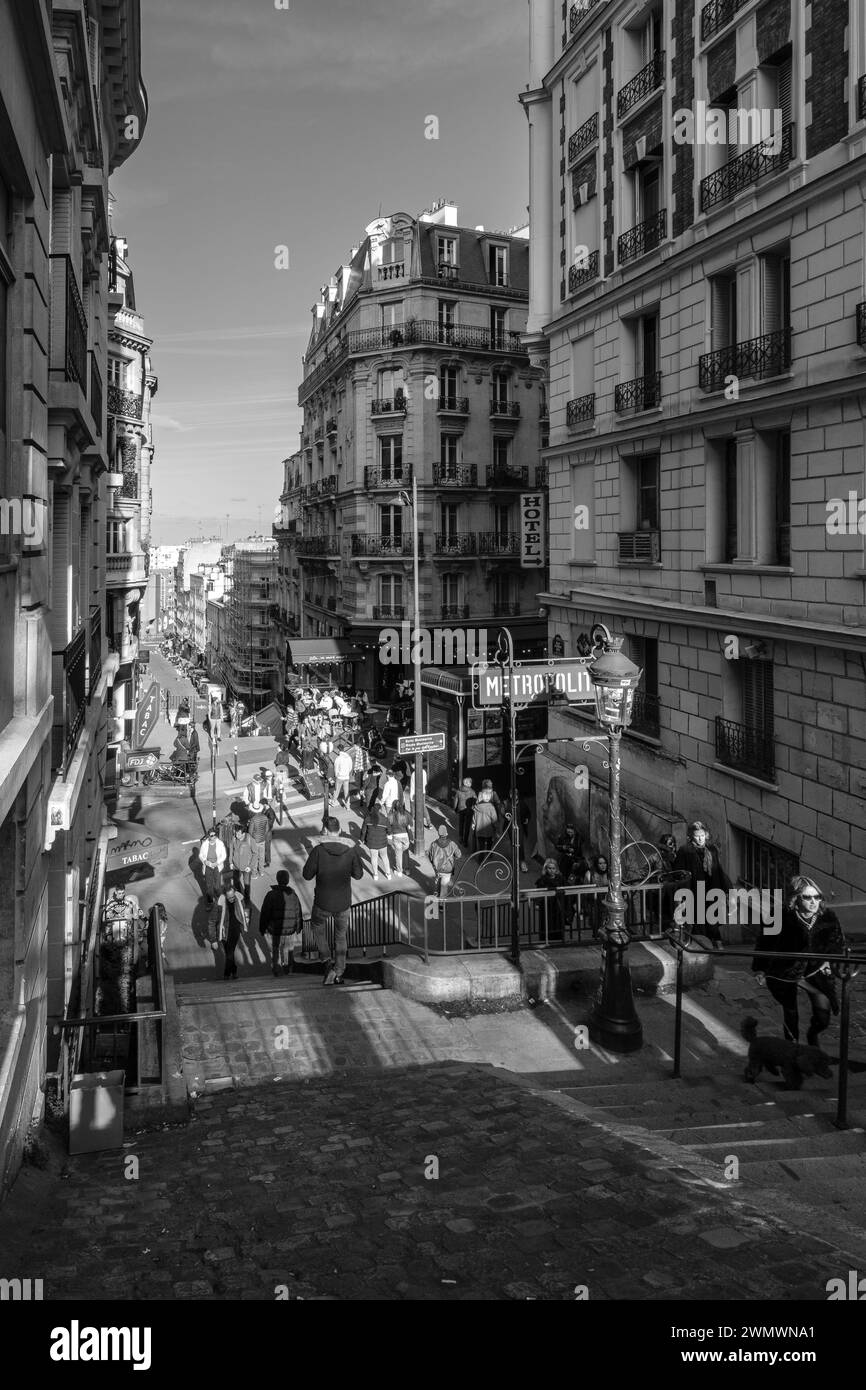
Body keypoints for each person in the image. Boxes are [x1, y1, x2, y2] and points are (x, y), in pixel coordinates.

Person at [753, 876, 846, 1044]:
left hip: (817, 971)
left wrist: (829, 962)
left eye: (817, 897)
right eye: (808, 897)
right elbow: (765, 943)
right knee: (791, 1013)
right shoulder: (780, 915)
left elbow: (838, 944)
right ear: (795, 898)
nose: (813, 902)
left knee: (823, 1017)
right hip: (786, 969)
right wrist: (760, 968)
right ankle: (792, 1050)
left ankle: (812, 1034)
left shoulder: (828, 917)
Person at [302, 816, 364, 986]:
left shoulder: (318, 851)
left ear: (326, 831)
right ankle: (339, 970)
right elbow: (358, 875)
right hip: (343, 902)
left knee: (316, 927)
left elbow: (307, 875)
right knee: (340, 936)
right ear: (340, 830)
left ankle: (326, 959)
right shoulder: (350, 850)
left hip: (322, 901)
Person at [673, 821, 732, 950]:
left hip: (711, 889)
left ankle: (716, 940)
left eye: (702, 835)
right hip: (694, 890)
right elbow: (678, 872)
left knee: (712, 918)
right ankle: (704, 944)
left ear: (706, 835)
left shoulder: (711, 850)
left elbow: (718, 869)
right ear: (691, 836)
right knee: (698, 919)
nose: (700, 839)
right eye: (696, 836)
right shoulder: (685, 851)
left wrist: (727, 888)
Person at [259, 869, 304, 977]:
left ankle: (276, 969)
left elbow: (265, 912)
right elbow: (298, 911)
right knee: (287, 949)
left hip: (275, 929)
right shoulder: (293, 895)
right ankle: (287, 968)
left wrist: (262, 927)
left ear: (277, 879)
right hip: (289, 929)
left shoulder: (271, 895)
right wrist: (298, 927)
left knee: (275, 949)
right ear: (287, 880)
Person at [217, 881, 247, 981]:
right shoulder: (220, 902)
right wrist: (213, 938)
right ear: (225, 895)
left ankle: (226, 974)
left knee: (230, 952)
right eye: (229, 897)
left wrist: (244, 925)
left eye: (233, 896)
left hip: (235, 930)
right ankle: (234, 972)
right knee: (229, 953)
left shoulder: (239, 898)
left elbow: (245, 913)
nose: (231, 899)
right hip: (224, 931)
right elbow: (213, 919)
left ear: (235, 893)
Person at [535, 857, 566, 940]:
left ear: (556, 869)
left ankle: (559, 938)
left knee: (558, 922)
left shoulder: (561, 878)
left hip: (558, 904)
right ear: (546, 868)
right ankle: (545, 939)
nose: (551, 870)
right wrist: (537, 904)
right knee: (546, 922)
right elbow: (539, 892)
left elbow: (566, 890)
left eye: (553, 868)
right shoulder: (542, 880)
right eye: (549, 868)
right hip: (546, 905)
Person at [429, 825, 462, 897]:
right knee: (444, 886)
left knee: (437, 882)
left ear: (438, 833)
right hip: (448, 869)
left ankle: (436, 896)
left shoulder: (433, 844)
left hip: (437, 868)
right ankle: (441, 905)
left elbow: (430, 857)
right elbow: (458, 855)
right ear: (446, 833)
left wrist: (434, 864)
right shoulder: (452, 844)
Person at [198, 828, 227, 905]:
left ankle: (219, 901)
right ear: (208, 836)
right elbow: (200, 855)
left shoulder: (220, 843)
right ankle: (210, 901)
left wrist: (217, 863)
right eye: (211, 836)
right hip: (208, 866)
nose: (213, 837)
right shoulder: (205, 844)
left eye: (214, 835)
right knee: (209, 886)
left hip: (217, 866)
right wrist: (204, 861)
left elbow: (224, 856)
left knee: (217, 886)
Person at [364, 805, 393, 883]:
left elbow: (364, 831)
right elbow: (389, 831)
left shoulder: (367, 819)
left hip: (371, 842)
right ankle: (388, 874)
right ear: (380, 810)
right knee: (385, 857)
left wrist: (363, 840)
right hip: (382, 842)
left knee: (374, 858)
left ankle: (375, 875)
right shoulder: (385, 819)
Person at [230, 825, 255, 907]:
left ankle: (247, 899)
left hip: (246, 868)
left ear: (244, 834)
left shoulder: (250, 840)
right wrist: (230, 862)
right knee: (236, 882)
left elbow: (255, 854)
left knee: (246, 884)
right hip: (236, 866)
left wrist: (250, 866)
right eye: (236, 833)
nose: (236, 836)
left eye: (238, 834)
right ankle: (239, 897)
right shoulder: (234, 839)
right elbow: (231, 851)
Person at [387, 800, 412, 876]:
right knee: (405, 852)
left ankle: (399, 871)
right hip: (405, 836)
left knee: (398, 854)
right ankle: (407, 870)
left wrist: (389, 836)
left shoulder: (391, 815)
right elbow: (411, 824)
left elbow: (388, 826)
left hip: (396, 835)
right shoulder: (406, 814)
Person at [247, 801, 269, 880]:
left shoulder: (253, 819)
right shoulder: (265, 817)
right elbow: (267, 829)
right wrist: (262, 835)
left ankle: (254, 873)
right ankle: (262, 871)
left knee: (254, 857)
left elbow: (250, 831)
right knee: (261, 856)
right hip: (262, 840)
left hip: (255, 841)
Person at [471, 788, 499, 853]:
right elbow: (494, 819)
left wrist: (473, 824)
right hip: (489, 830)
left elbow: (474, 818)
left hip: (479, 830)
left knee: (481, 846)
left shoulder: (477, 806)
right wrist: (497, 828)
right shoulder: (491, 807)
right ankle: (488, 854)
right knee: (489, 843)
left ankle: (481, 860)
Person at [453, 778, 477, 846]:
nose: (471, 784)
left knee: (461, 823)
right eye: (471, 782)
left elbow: (455, 801)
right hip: (469, 810)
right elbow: (475, 801)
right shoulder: (472, 791)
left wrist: (455, 809)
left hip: (461, 809)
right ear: (468, 783)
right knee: (467, 825)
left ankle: (460, 838)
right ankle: (465, 841)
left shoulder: (458, 790)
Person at [409, 765, 432, 829]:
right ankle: (429, 823)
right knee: (423, 807)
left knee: (413, 808)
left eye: (412, 764)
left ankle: (410, 824)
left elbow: (413, 785)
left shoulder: (414, 774)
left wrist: (412, 796)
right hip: (423, 792)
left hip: (414, 793)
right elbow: (425, 783)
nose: (412, 766)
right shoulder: (424, 772)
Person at [333, 745, 354, 809]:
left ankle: (333, 802)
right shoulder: (348, 757)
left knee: (337, 790)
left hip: (340, 777)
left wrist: (337, 775)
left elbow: (336, 768)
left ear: (339, 750)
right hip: (346, 777)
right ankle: (348, 806)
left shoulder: (338, 758)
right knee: (346, 792)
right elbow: (350, 767)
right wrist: (347, 773)